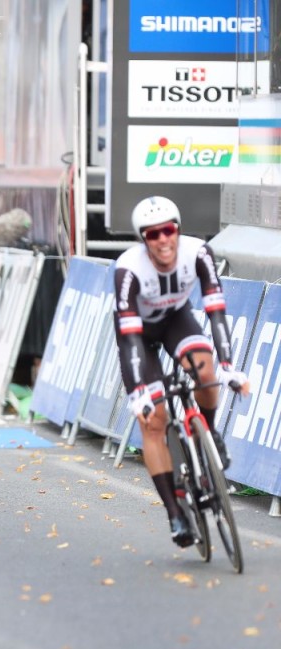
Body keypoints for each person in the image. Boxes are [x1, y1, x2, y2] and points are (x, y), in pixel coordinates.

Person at [114, 196, 251, 547]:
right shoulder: (128, 269)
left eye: (168, 230)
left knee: (205, 372)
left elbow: (215, 311)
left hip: (176, 319)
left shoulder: (198, 252)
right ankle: (175, 512)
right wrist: (138, 393)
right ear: (143, 240)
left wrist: (228, 367)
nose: (163, 240)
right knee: (154, 419)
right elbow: (128, 338)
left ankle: (208, 430)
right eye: (152, 234)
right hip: (139, 337)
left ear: (178, 229)